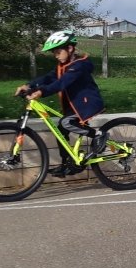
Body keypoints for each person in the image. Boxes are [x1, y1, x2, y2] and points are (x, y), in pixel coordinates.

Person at [15, 30, 106, 176]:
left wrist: (41, 92)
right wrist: (29, 85)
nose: (56, 55)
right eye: (54, 53)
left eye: (58, 52)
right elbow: (47, 78)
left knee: (65, 123)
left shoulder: (79, 66)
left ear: (70, 49)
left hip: (87, 104)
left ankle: (98, 134)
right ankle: (66, 164)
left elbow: (61, 83)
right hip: (74, 106)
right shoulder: (62, 66)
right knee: (60, 130)